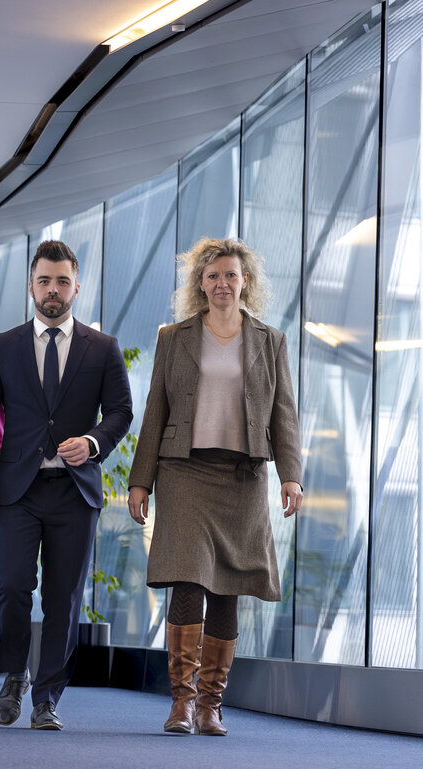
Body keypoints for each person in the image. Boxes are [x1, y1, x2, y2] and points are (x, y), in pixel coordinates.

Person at [127, 237, 302, 736]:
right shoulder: (173, 337)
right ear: (199, 284)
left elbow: (282, 413)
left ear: (246, 281)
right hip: (183, 470)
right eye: (212, 276)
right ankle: (181, 702)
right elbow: (155, 411)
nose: (222, 284)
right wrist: (140, 481)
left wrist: (291, 474)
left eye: (230, 275)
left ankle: (211, 705)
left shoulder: (270, 340)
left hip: (242, 476)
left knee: (229, 586)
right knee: (187, 578)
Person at [0, 239, 132, 731]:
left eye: (62, 281)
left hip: (75, 492)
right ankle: (15, 672)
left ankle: (46, 698)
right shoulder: (3, 346)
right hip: (17, 489)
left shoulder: (102, 348)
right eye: (44, 281)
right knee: (12, 586)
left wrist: (95, 443)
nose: (53, 290)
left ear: (76, 286)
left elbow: (120, 412)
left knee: (64, 598)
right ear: (31, 286)